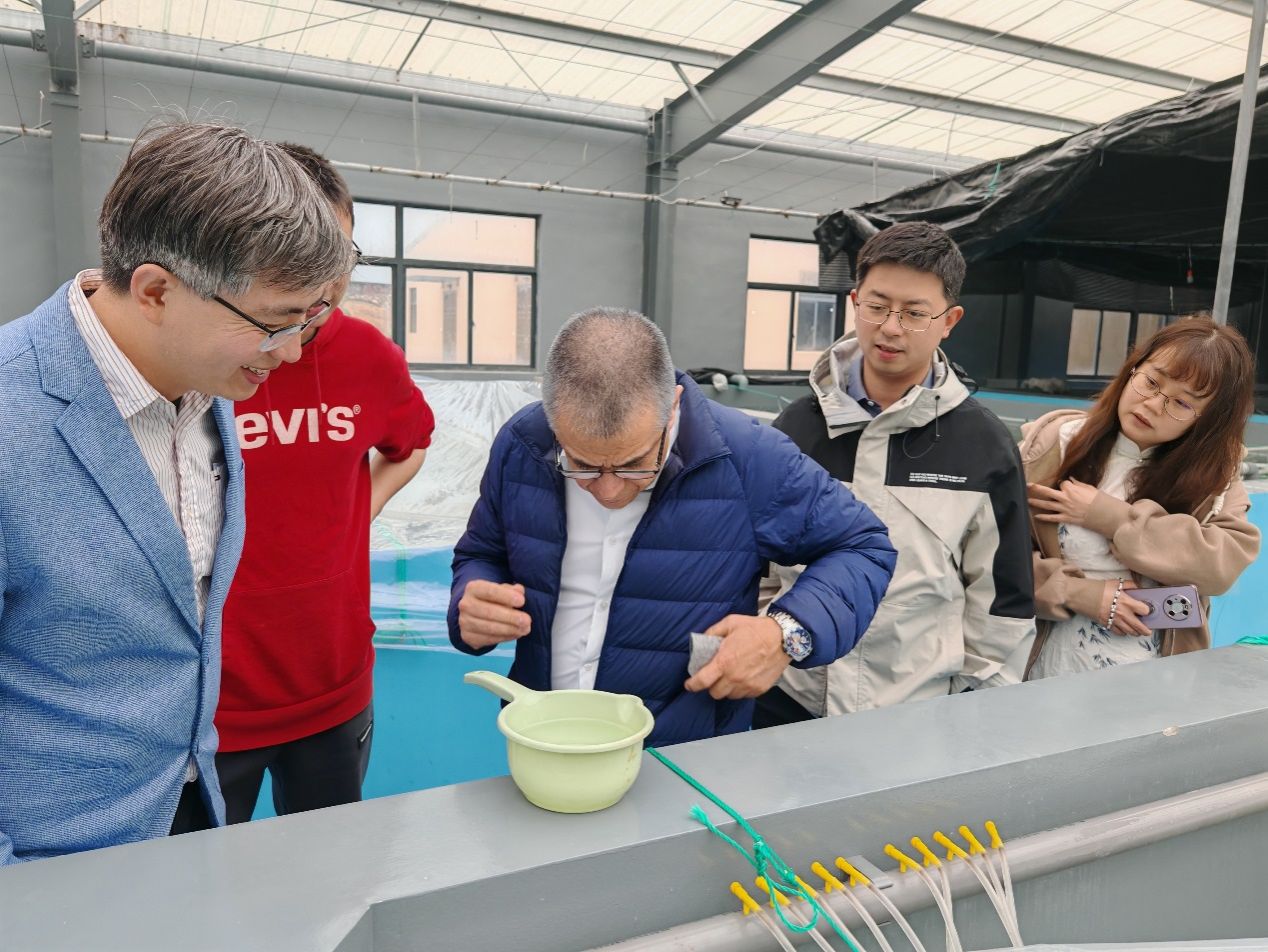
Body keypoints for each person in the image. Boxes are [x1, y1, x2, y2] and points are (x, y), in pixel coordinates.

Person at [0, 121, 353, 864]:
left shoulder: (206, 384)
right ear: (157, 291)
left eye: (309, 318)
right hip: (50, 864)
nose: (292, 352)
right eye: (275, 323)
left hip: (190, 812)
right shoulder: (13, 418)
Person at [448, 306, 896, 747]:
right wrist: (472, 599)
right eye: (581, 465)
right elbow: (482, 553)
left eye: (635, 464)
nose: (608, 491)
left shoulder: (749, 458)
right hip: (545, 740)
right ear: (552, 417)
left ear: (673, 405)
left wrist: (785, 633)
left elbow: (862, 545)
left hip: (685, 757)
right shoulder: (522, 445)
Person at [215, 145, 435, 823]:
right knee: (193, 875)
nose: (325, 281)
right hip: (215, 699)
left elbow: (410, 446)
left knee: (331, 868)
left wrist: (359, 512)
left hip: (334, 686)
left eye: (338, 254)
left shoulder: (368, 356)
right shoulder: (205, 360)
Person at [754, 222, 1035, 727]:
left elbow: (1002, 602)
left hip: (917, 713)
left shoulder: (984, 446)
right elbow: (756, 567)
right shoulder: (796, 429)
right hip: (788, 699)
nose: (890, 327)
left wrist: (973, 709)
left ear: (949, 321)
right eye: (878, 306)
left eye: (914, 313)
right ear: (855, 302)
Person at [1022, 316, 1260, 679]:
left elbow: (1219, 569)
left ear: (1207, 420)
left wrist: (1111, 517)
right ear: (1133, 369)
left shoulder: (1216, 481)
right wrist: (1077, 592)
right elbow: (992, 556)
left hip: (1153, 684)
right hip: (1041, 670)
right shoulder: (1056, 444)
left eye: (1181, 403)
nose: (1152, 405)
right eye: (1151, 382)